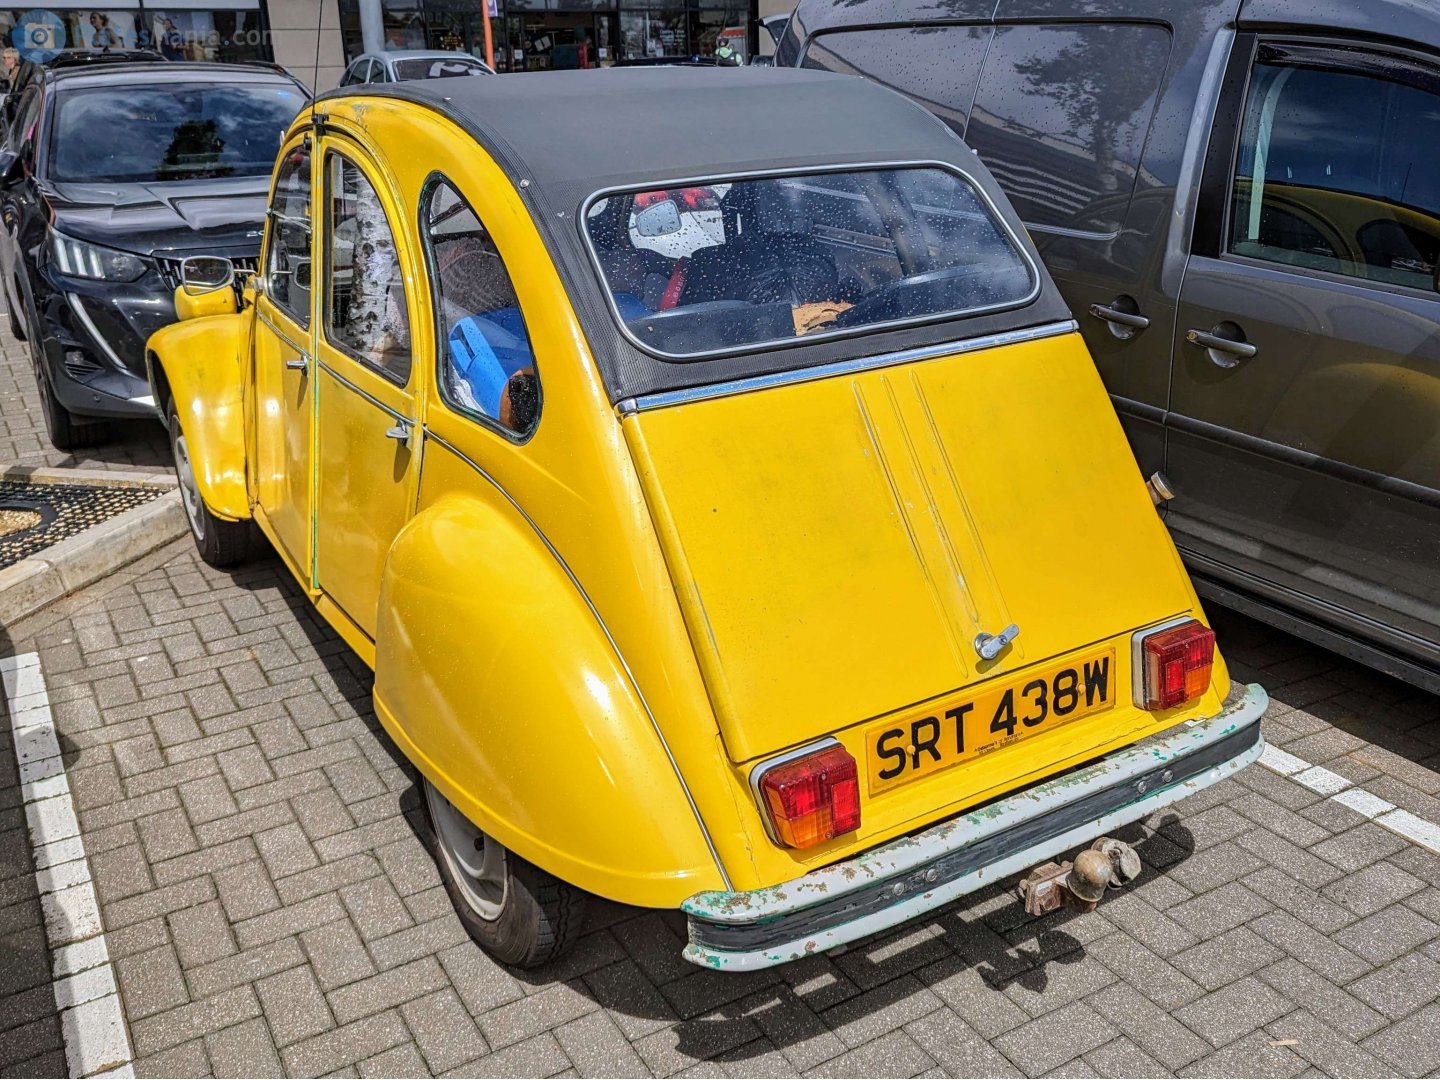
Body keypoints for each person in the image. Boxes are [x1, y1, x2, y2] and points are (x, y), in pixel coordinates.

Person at [2, 47, 37, 124]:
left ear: (14, 59)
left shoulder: (18, 72)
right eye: (4, 57)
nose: (5, 60)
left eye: (8, 57)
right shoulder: (12, 70)